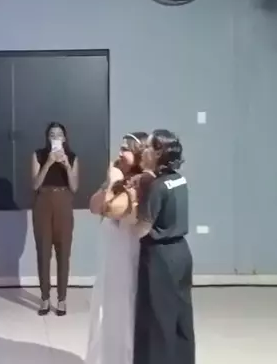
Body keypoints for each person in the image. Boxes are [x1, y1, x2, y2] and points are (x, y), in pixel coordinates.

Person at [130, 129, 195, 364]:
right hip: (181, 253)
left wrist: (127, 218)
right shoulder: (179, 179)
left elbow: (142, 228)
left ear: (158, 153)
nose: (143, 151)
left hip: (159, 258)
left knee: (157, 319)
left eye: (148, 147)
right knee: (180, 316)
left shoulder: (157, 186)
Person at [85, 132, 149, 364]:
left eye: (126, 149)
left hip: (128, 257)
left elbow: (116, 210)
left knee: (125, 311)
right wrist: (110, 182)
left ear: (139, 154)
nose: (120, 153)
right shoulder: (117, 177)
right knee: (106, 310)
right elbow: (94, 206)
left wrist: (115, 184)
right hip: (110, 259)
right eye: (120, 148)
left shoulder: (142, 182)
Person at [31, 121, 79, 315]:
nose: (56, 138)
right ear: (47, 137)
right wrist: (49, 162)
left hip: (64, 202)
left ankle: (62, 299)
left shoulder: (72, 157)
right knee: (43, 251)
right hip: (43, 202)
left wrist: (66, 165)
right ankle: (44, 298)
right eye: (52, 135)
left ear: (64, 138)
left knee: (63, 251)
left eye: (59, 135)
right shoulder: (38, 155)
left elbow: (74, 187)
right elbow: (35, 184)